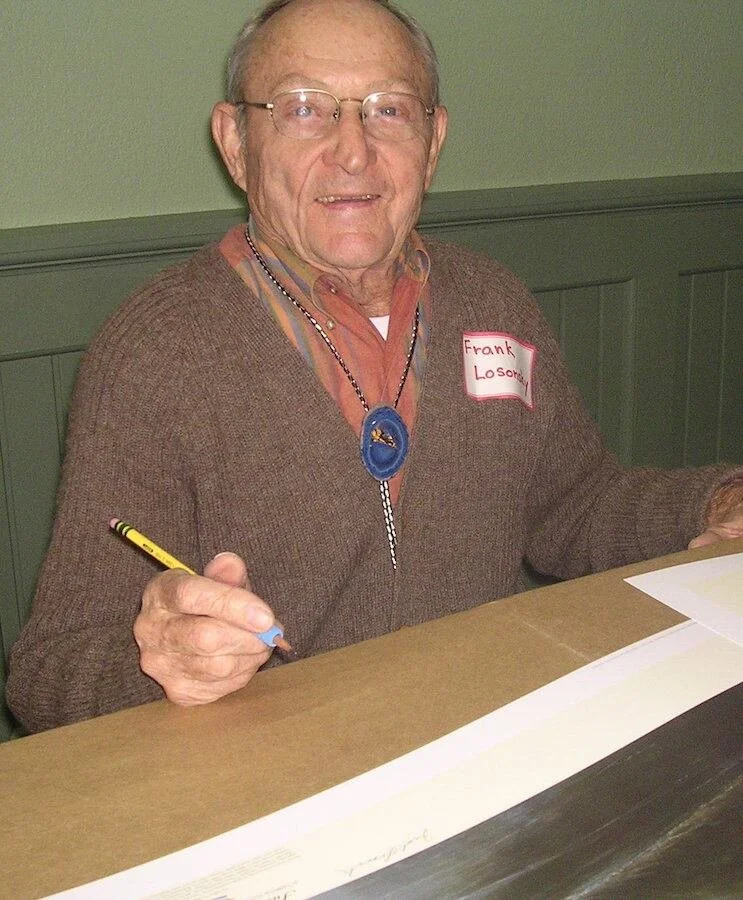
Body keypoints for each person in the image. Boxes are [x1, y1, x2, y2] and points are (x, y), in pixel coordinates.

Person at [6, 0, 743, 733]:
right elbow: (49, 672)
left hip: (485, 742)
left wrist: (712, 504)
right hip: (276, 790)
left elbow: (571, 506)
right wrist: (156, 658)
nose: (352, 151)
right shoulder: (154, 350)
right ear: (235, 141)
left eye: (389, 111)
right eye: (303, 109)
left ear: (433, 140)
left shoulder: (492, 301)